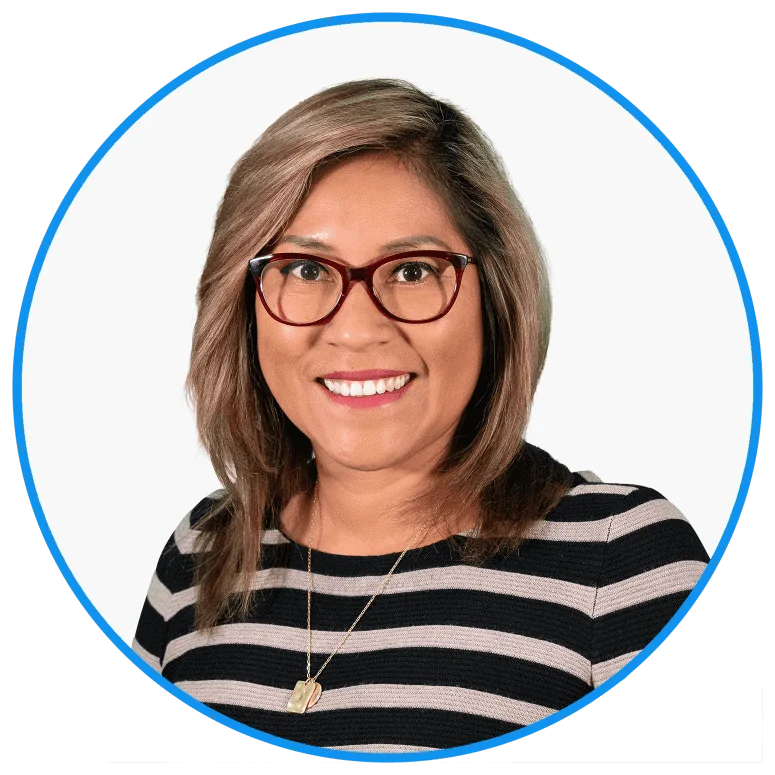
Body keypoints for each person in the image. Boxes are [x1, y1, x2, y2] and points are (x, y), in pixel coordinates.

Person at [133, 78, 710, 754]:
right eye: (305, 269)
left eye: (411, 271)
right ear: (245, 301)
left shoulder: (620, 560)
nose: (354, 329)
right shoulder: (201, 553)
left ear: (495, 296)